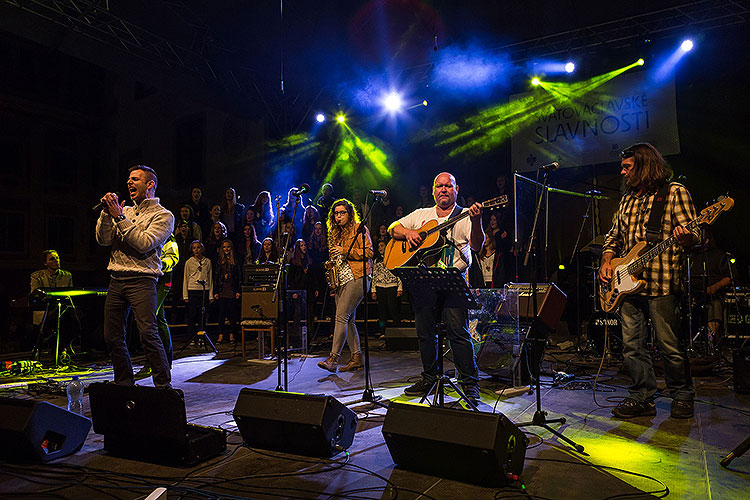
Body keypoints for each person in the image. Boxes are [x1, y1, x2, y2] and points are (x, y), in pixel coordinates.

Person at [599, 143, 700, 419]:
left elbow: (697, 235)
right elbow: (613, 236)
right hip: (627, 286)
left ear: (644, 165)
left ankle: (681, 395)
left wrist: (688, 237)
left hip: (662, 281)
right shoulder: (627, 199)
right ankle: (641, 396)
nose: (623, 172)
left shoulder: (674, 193)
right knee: (632, 346)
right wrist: (608, 260)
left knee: (669, 345)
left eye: (627, 167)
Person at [388, 172, 483, 404]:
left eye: (448, 186)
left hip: (453, 280)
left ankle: (469, 383)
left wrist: (478, 220)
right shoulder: (422, 215)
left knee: (458, 333)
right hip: (425, 282)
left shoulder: (464, 215)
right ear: (433, 190)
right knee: (425, 333)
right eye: (439, 186)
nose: (443, 190)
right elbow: (392, 228)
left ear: (456, 189)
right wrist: (409, 232)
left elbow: (478, 245)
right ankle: (430, 377)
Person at [96, 165, 174, 387]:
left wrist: (119, 217)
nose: (129, 183)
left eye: (135, 179)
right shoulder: (126, 211)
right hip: (116, 279)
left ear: (149, 184)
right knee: (112, 336)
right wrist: (105, 214)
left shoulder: (164, 215)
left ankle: (163, 385)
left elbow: (144, 243)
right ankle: (124, 383)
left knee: (148, 334)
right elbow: (103, 240)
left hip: (142, 280)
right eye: (128, 179)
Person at [317, 199, 373, 373]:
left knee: (341, 316)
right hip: (342, 278)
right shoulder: (334, 232)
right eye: (336, 213)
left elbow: (370, 252)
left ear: (350, 213)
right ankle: (356, 358)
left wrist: (344, 250)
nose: (339, 216)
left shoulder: (359, 228)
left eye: (342, 212)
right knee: (348, 320)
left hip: (359, 275)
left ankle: (333, 358)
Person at [139, 233, 179, 375]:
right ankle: (163, 362)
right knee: (158, 319)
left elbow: (173, 258)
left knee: (150, 320)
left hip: (162, 280)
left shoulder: (166, 232)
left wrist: (157, 265)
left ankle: (156, 362)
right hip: (149, 279)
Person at [183, 240, 214, 342]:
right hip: (192, 290)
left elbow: (210, 278)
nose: (196, 250)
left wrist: (210, 295)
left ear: (202, 249)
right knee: (192, 314)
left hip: (204, 290)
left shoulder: (207, 261)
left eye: (198, 247)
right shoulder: (189, 262)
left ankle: (202, 336)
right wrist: (185, 295)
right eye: (194, 248)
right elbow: (186, 278)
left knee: (202, 314)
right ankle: (192, 337)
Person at [372, 240, 402, 337]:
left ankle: (397, 330)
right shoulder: (376, 260)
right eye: (379, 246)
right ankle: (382, 331)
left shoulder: (393, 258)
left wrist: (399, 287)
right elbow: (374, 275)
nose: (380, 248)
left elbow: (399, 273)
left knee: (393, 308)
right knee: (382, 310)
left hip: (392, 286)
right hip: (380, 287)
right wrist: (373, 290)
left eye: (382, 245)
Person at [214, 239, 241, 343]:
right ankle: (220, 335)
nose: (226, 249)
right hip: (222, 290)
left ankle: (231, 334)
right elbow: (216, 276)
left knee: (232, 314)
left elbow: (239, 276)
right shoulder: (219, 261)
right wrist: (216, 291)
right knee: (221, 314)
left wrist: (238, 290)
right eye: (224, 247)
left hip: (232, 290)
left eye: (228, 247)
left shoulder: (235, 261)